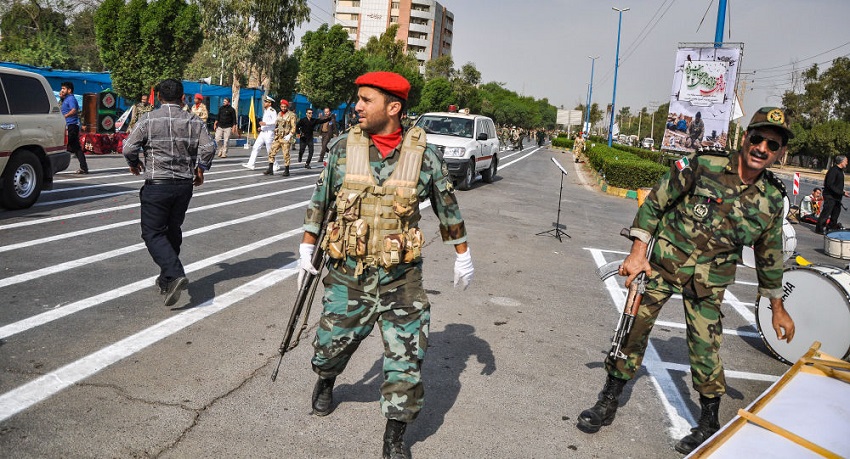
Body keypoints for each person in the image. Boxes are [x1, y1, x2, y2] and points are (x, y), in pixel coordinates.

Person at [576, 106, 796, 455]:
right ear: (745, 138)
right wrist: (637, 253)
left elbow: (770, 255)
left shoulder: (771, 199)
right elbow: (655, 204)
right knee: (633, 330)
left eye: (773, 145)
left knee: (706, 349)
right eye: (758, 139)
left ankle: (708, 423)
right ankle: (608, 400)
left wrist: (777, 308)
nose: (762, 149)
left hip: (710, 280)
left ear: (780, 152)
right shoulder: (704, 164)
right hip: (662, 265)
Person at [297, 71, 474, 459]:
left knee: (406, 363)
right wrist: (307, 247)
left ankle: (394, 439)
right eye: (358, 99)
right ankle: (326, 378)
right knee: (329, 348)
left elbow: (448, 206)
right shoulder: (343, 149)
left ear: (393, 108)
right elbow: (320, 200)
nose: (358, 107)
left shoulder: (424, 156)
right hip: (348, 274)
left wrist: (463, 254)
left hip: (401, 280)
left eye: (366, 100)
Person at [123, 78, 216, 307]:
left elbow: (128, 148)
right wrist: (201, 169)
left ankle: (174, 273)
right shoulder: (194, 120)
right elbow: (208, 147)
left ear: (159, 97)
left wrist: (134, 163)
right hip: (184, 185)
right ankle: (166, 280)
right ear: (183, 98)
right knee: (172, 229)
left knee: (152, 232)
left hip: (157, 185)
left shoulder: (148, 119)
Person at [816, 155, 850, 234]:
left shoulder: (840, 171)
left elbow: (837, 184)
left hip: (837, 197)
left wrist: (842, 192)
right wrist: (842, 193)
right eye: (846, 161)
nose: (847, 163)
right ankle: (819, 229)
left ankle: (831, 228)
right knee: (826, 213)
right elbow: (830, 185)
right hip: (830, 196)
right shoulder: (833, 170)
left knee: (835, 214)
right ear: (841, 162)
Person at [59, 81, 88, 174]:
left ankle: (54, 166)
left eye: (64, 89)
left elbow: (74, 110)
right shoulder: (66, 99)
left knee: (62, 145)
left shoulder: (71, 99)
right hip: (69, 125)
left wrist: (65, 116)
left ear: (69, 90)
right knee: (76, 148)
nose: (62, 90)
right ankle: (84, 168)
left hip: (71, 126)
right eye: (61, 88)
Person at [244, 95, 277, 170]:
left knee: (269, 150)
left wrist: (265, 124)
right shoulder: (266, 110)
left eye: (266, 102)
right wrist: (261, 127)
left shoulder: (272, 111)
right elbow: (265, 122)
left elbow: (275, 121)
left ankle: (275, 165)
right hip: (263, 132)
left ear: (270, 103)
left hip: (269, 133)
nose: (264, 103)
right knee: (255, 147)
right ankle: (251, 164)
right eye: (264, 101)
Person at [266, 99, 297, 176]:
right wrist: (275, 129)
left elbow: (293, 127)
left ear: (287, 107)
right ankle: (270, 169)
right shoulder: (279, 114)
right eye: (282, 106)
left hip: (285, 137)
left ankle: (287, 170)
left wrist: (290, 135)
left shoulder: (291, 115)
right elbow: (277, 124)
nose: (283, 108)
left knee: (286, 154)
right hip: (278, 137)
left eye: (285, 107)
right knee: (271, 152)